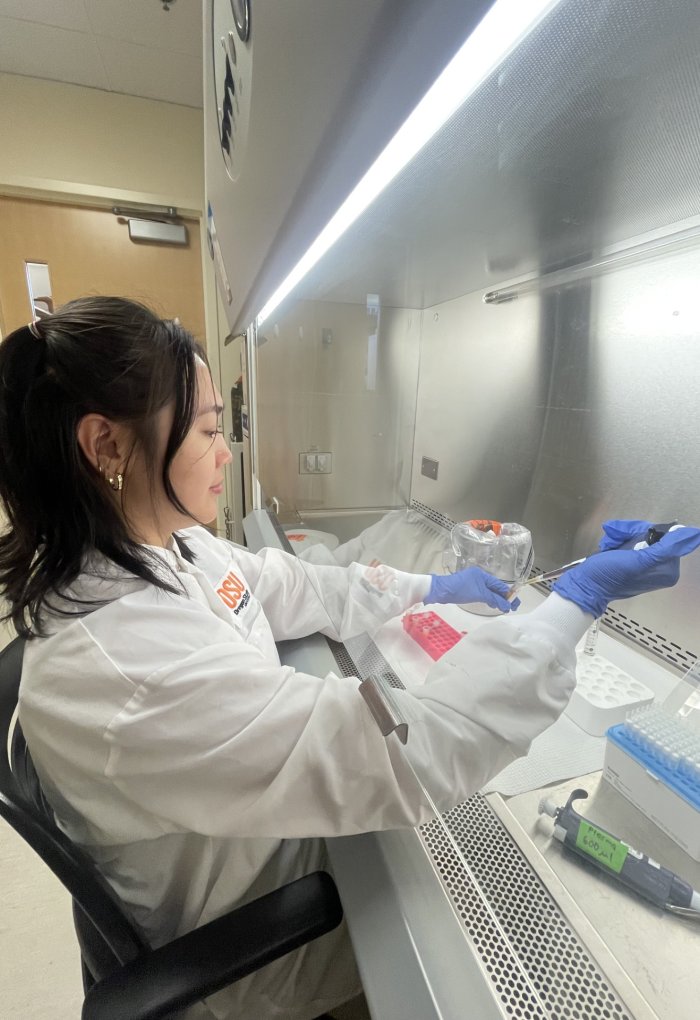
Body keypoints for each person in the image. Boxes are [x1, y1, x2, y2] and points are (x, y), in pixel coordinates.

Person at [0, 297, 698, 1020]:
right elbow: (406, 752)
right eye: (207, 429)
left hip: (249, 847)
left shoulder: (164, 548)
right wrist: (574, 603)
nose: (226, 451)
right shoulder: (122, 666)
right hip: (257, 940)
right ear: (106, 447)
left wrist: (432, 585)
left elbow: (287, 584)